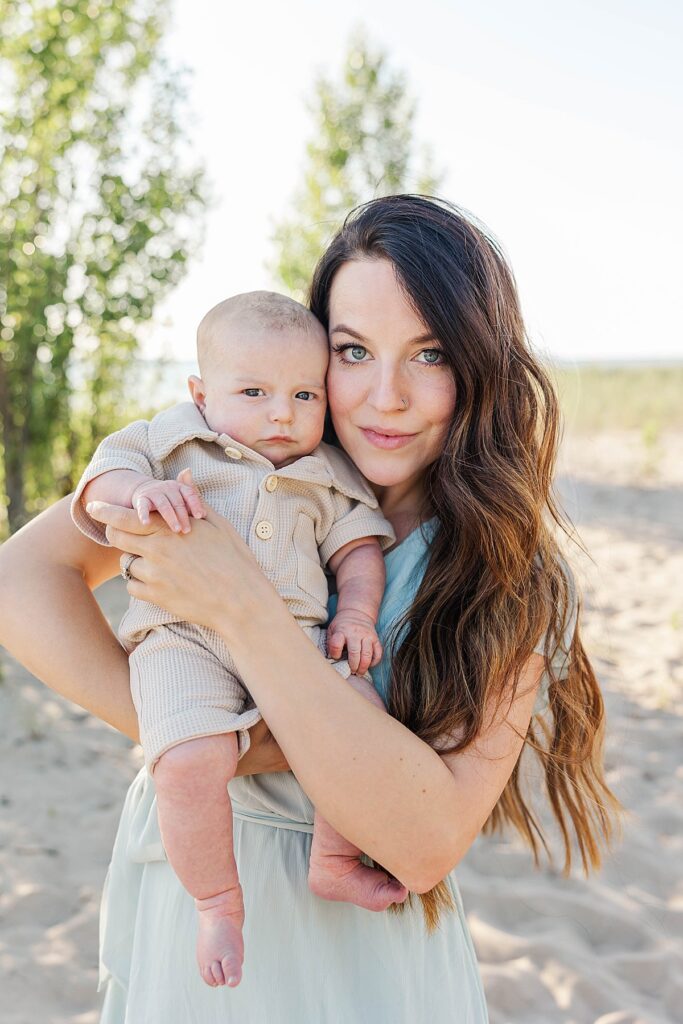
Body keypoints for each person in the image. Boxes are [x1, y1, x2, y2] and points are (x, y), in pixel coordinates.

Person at [0, 195, 620, 1024]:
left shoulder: (508, 573)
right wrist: (207, 735)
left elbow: (424, 840)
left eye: (429, 354)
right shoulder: (231, 456)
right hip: (193, 896)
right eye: (352, 351)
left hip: (352, 954)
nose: (385, 396)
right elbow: (21, 581)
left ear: (478, 368)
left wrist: (241, 607)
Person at [71, 289, 406, 990]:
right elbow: (101, 479)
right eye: (253, 391)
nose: (281, 413)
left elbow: (359, 553)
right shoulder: (172, 440)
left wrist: (354, 616)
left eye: (303, 395)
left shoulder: (328, 473)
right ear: (200, 392)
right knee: (189, 762)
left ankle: (334, 858)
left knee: (361, 732)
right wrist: (137, 493)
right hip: (182, 640)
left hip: (299, 646)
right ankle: (216, 902)